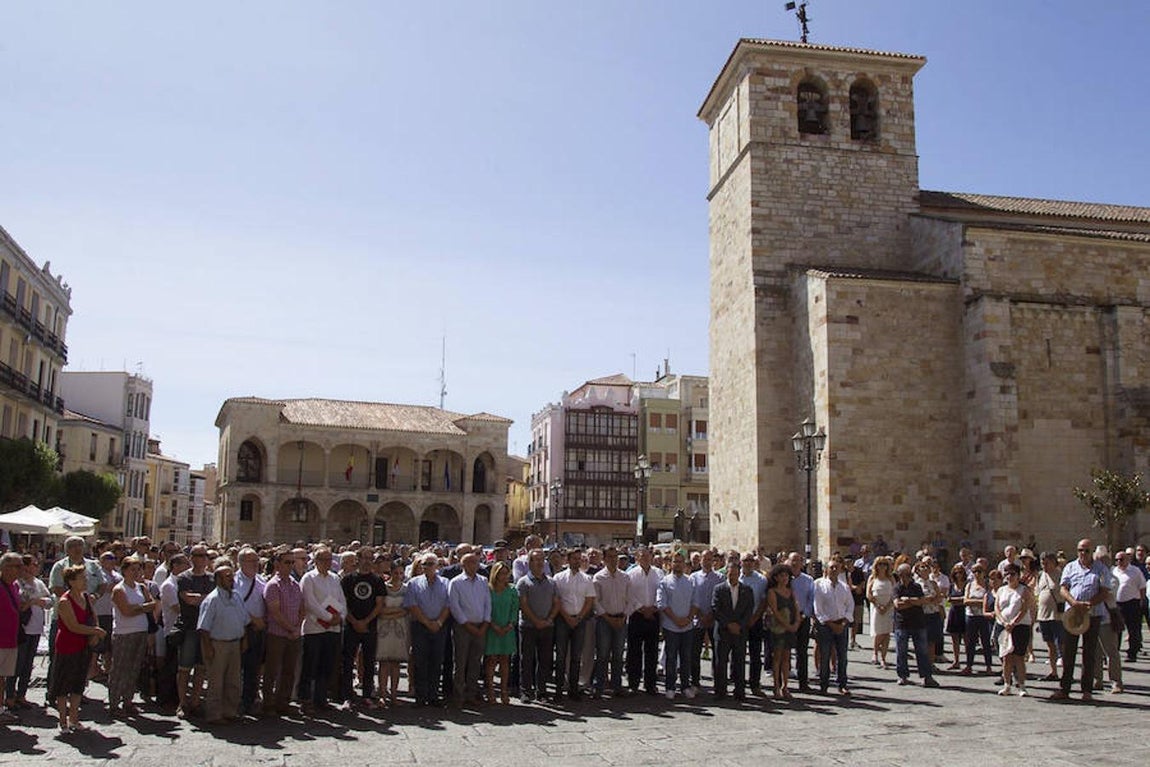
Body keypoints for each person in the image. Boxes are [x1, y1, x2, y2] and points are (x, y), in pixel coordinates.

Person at [49, 564, 107, 734]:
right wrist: (95, 631)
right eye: (82, 578)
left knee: (78, 683)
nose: (86, 580)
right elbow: (73, 626)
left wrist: (94, 632)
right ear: (72, 581)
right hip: (67, 646)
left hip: (83, 645)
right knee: (63, 685)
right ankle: (62, 721)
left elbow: (93, 617)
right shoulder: (65, 601)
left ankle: (74, 718)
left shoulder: (86, 597)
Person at [1052, 538, 1108, 702]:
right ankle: (1065, 688)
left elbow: (1105, 591)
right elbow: (1063, 589)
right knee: (1068, 652)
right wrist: (1074, 603)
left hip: (1092, 614)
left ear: (1092, 552)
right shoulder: (1070, 567)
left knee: (1089, 653)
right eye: (1080, 550)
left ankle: (1087, 690)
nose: (1083, 553)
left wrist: (1089, 604)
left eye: (1086, 550)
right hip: (1072, 614)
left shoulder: (1101, 569)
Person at [197, 558, 251, 724]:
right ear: (218, 579)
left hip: (235, 643)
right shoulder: (212, 599)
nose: (231, 579)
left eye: (232, 576)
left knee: (233, 681)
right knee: (216, 681)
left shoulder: (236, 596)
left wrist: (244, 639)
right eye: (227, 577)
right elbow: (203, 627)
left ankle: (230, 711)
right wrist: (208, 648)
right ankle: (214, 714)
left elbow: (244, 620)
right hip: (217, 644)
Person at [299, 546, 347, 714]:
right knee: (310, 666)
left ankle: (321, 699)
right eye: (324, 560)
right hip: (314, 629)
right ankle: (306, 700)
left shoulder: (335, 578)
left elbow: (341, 600)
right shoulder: (308, 578)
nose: (328, 563)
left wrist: (341, 616)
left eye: (329, 560)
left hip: (332, 629)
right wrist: (327, 617)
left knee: (327, 665)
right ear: (316, 561)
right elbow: (310, 602)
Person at [108, 555, 157, 715]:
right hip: (124, 633)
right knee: (120, 669)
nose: (136, 572)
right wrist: (142, 607)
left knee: (134, 668)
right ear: (124, 571)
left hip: (141, 631)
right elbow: (126, 611)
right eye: (132, 569)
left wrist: (138, 608)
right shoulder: (119, 589)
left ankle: (128, 700)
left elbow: (152, 605)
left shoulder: (141, 587)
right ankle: (114, 702)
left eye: (138, 569)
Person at [262, 551, 306, 716]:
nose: (290, 566)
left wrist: (297, 627)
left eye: (292, 562)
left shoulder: (295, 584)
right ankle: (268, 703)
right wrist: (290, 628)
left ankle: (283, 702)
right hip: (277, 634)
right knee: (272, 671)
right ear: (277, 564)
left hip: (294, 635)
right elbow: (275, 612)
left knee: (289, 670)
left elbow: (302, 608)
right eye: (287, 562)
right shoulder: (273, 585)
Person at [341, 546, 384, 708]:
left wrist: (365, 622)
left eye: (370, 558)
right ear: (358, 559)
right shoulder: (348, 579)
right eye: (364, 558)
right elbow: (343, 603)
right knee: (347, 662)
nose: (367, 561)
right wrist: (354, 621)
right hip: (351, 625)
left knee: (369, 662)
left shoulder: (377, 580)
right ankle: (347, 696)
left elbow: (379, 604)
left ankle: (367, 695)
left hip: (369, 626)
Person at [405, 552, 451, 707]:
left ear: (437, 566)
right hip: (420, 626)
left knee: (436, 661)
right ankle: (420, 696)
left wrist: (439, 622)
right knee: (420, 662)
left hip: (440, 627)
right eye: (424, 564)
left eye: (430, 564)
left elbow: (448, 605)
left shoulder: (446, 583)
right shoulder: (413, 583)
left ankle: (433, 695)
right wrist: (427, 622)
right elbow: (412, 605)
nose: (426, 567)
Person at [175, 545, 215, 718]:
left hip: (206, 629)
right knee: (184, 668)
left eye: (205, 555)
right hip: (189, 627)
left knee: (201, 668)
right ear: (191, 558)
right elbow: (189, 599)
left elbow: (215, 600)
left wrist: (201, 598)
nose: (203, 558)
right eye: (199, 555)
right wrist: (207, 598)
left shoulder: (212, 578)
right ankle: (182, 703)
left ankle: (196, 701)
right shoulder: (184, 578)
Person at [447, 551, 491, 707]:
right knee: (460, 662)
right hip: (463, 627)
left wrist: (486, 622)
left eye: (476, 562)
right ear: (463, 565)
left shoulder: (483, 581)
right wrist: (467, 624)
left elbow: (487, 603)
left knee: (475, 662)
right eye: (471, 562)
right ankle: (458, 696)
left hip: (481, 626)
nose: (475, 565)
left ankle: (471, 694)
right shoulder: (456, 582)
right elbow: (454, 606)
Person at [8, 555, 51, 711]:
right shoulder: (18, 584)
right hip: (23, 629)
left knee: (28, 664)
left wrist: (42, 601)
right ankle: (10, 695)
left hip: (36, 629)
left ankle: (22, 695)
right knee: (17, 664)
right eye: (34, 564)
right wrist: (34, 601)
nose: (37, 567)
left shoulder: (39, 583)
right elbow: (21, 605)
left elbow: (50, 600)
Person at [517, 548, 558, 703]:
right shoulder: (523, 582)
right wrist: (536, 621)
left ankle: (542, 691)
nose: (540, 562)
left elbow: (556, 603)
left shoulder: (551, 582)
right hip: (528, 626)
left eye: (542, 559)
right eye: (536, 559)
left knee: (545, 660)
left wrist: (549, 619)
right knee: (526, 660)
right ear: (530, 562)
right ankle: (526, 691)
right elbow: (523, 605)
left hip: (547, 626)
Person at [712, 551, 753, 701]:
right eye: (730, 574)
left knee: (739, 662)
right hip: (723, 631)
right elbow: (715, 608)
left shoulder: (747, 590)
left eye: (735, 574)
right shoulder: (719, 589)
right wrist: (729, 624)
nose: (733, 577)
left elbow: (749, 610)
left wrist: (739, 625)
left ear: (739, 574)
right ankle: (720, 691)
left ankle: (739, 690)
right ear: (726, 574)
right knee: (721, 662)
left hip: (739, 631)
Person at [892, 563, 940, 688]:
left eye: (909, 575)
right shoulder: (896, 588)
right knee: (901, 652)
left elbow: (922, 602)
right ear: (899, 575)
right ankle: (903, 676)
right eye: (904, 575)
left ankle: (927, 677)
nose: (906, 577)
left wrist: (908, 600)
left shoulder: (916, 586)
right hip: (901, 623)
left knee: (922, 652)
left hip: (918, 623)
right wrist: (914, 602)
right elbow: (898, 605)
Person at [656, 552, 696, 700]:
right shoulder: (664, 582)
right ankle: (670, 687)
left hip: (687, 626)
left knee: (686, 657)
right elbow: (662, 603)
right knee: (671, 658)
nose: (678, 564)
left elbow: (695, 602)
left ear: (684, 564)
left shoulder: (690, 581)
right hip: (670, 626)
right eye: (675, 561)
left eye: (680, 562)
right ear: (670, 563)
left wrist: (688, 619)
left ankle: (685, 686)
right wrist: (676, 620)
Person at [591, 545, 630, 698]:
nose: (614, 560)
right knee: (602, 655)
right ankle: (599, 687)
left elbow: (630, 599)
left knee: (618, 655)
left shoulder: (625, 577)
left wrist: (624, 616)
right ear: (604, 559)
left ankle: (617, 686)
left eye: (616, 557)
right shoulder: (598, 578)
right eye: (610, 557)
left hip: (621, 619)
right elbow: (595, 602)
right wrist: (608, 618)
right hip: (604, 620)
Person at [812, 558, 853, 696]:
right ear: (826, 569)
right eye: (831, 567)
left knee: (843, 656)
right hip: (826, 625)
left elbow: (850, 605)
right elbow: (818, 608)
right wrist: (830, 624)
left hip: (842, 624)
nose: (834, 570)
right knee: (825, 655)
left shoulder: (844, 587)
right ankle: (824, 684)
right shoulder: (819, 585)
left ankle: (842, 684)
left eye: (837, 567)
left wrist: (844, 623)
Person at [233, 547, 266, 716]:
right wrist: (253, 619)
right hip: (242, 630)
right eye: (251, 561)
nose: (255, 564)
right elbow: (235, 605)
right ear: (241, 563)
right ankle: (236, 701)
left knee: (254, 667)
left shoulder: (261, 580)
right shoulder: (234, 581)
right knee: (238, 667)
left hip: (259, 630)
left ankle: (250, 700)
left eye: (256, 560)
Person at [626, 547, 663, 695]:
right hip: (637, 615)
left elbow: (661, 592)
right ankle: (633, 683)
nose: (645, 558)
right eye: (642, 556)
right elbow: (629, 594)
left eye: (648, 556)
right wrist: (641, 608)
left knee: (652, 651)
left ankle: (650, 684)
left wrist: (653, 607)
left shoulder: (659, 573)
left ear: (652, 557)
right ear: (637, 558)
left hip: (653, 615)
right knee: (634, 651)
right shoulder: (631, 574)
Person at [993, 562, 1033, 696]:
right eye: (1007, 574)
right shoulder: (1001, 590)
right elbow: (997, 607)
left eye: (1012, 574)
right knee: (1006, 657)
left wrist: (1014, 622)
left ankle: (1021, 685)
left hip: (1020, 626)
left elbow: (1024, 608)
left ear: (1018, 575)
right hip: (1003, 626)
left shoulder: (1024, 590)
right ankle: (1007, 685)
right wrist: (1004, 622)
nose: (1009, 577)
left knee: (1019, 657)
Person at [375, 558, 409, 708]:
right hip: (384, 628)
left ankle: (394, 694)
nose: (398, 576)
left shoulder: (406, 589)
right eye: (396, 573)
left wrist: (390, 613)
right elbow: (380, 610)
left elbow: (407, 609)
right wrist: (395, 612)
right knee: (384, 662)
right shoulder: (383, 587)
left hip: (400, 629)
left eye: (401, 573)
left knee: (396, 662)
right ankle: (382, 694)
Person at [688, 549, 722, 693]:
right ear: (700, 560)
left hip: (714, 620)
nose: (707, 562)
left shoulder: (720, 577)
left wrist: (711, 615)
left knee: (718, 653)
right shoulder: (693, 577)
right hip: (697, 620)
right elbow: (690, 598)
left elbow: (721, 599)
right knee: (694, 653)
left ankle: (718, 682)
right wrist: (700, 614)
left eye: (709, 559)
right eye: (704, 559)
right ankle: (695, 681)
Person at [484, 561, 517, 704]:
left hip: (507, 629)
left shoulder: (512, 590)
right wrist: (493, 625)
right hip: (492, 628)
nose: (503, 576)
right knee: (491, 660)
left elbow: (515, 609)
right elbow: (485, 608)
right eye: (500, 573)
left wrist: (510, 625)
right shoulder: (488, 590)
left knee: (505, 660)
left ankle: (504, 690)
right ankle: (491, 690)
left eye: (506, 573)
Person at [766, 563, 799, 699]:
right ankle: (776, 686)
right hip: (778, 629)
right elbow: (775, 611)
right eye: (782, 576)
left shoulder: (790, 591)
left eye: (786, 576)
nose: (785, 578)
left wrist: (796, 623)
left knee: (787, 658)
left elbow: (796, 608)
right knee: (777, 658)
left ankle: (785, 686)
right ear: (776, 577)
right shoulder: (772, 592)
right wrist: (787, 625)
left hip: (789, 628)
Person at [738, 552, 768, 694]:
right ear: (741, 562)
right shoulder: (735, 577)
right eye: (745, 560)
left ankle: (755, 684)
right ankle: (738, 683)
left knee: (755, 655)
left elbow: (763, 601)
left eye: (751, 560)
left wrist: (755, 618)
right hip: (738, 621)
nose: (748, 563)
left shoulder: (761, 580)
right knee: (738, 654)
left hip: (755, 621)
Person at [0, 553, 23, 726]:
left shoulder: (14, 586)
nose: (21, 569)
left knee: (3, 677)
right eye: (17, 566)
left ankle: (1, 710)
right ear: (5, 568)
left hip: (10, 640)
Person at [788, 552, 815, 693]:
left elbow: (811, 599)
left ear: (802, 563)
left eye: (798, 560)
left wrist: (805, 614)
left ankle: (803, 682)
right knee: (785, 650)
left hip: (803, 617)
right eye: (793, 560)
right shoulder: (784, 579)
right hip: (787, 618)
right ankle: (783, 682)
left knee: (802, 651)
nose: (795, 563)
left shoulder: (808, 580)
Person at [1112, 548, 1146, 662]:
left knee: (1133, 629)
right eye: (1116, 560)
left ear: (1127, 559)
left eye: (1121, 559)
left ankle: (1132, 653)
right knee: (1116, 630)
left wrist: (1141, 601)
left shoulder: (1135, 571)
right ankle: (1114, 653)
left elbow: (1142, 586)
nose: (1119, 562)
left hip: (1132, 603)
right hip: (1117, 604)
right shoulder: (1113, 571)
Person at [1034, 551, 1064, 681]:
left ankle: (1066, 673)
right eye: (1042, 563)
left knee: (1061, 645)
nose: (1044, 565)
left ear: (1053, 562)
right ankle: (1053, 672)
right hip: (1043, 615)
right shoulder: (1041, 575)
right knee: (1050, 645)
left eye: (1046, 563)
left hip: (1057, 616)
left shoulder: (1060, 575)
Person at [961, 565, 993, 675]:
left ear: (984, 572)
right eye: (974, 571)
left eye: (979, 571)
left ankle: (988, 666)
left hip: (984, 617)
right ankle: (969, 665)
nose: (977, 574)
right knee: (970, 642)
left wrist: (974, 602)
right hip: (971, 616)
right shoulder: (969, 585)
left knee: (986, 642)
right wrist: (981, 602)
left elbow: (990, 601)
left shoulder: (988, 586)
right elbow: (965, 601)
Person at [866, 557, 894, 669]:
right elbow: (868, 594)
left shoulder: (890, 578)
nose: (882, 566)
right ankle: (875, 653)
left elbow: (895, 593)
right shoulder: (872, 578)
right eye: (880, 564)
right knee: (879, 632)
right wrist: (878, 606)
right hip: (877, 607)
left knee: (887, 633)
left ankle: (883, 658)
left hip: (888, 607)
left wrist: (887, 606)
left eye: (884, 564)